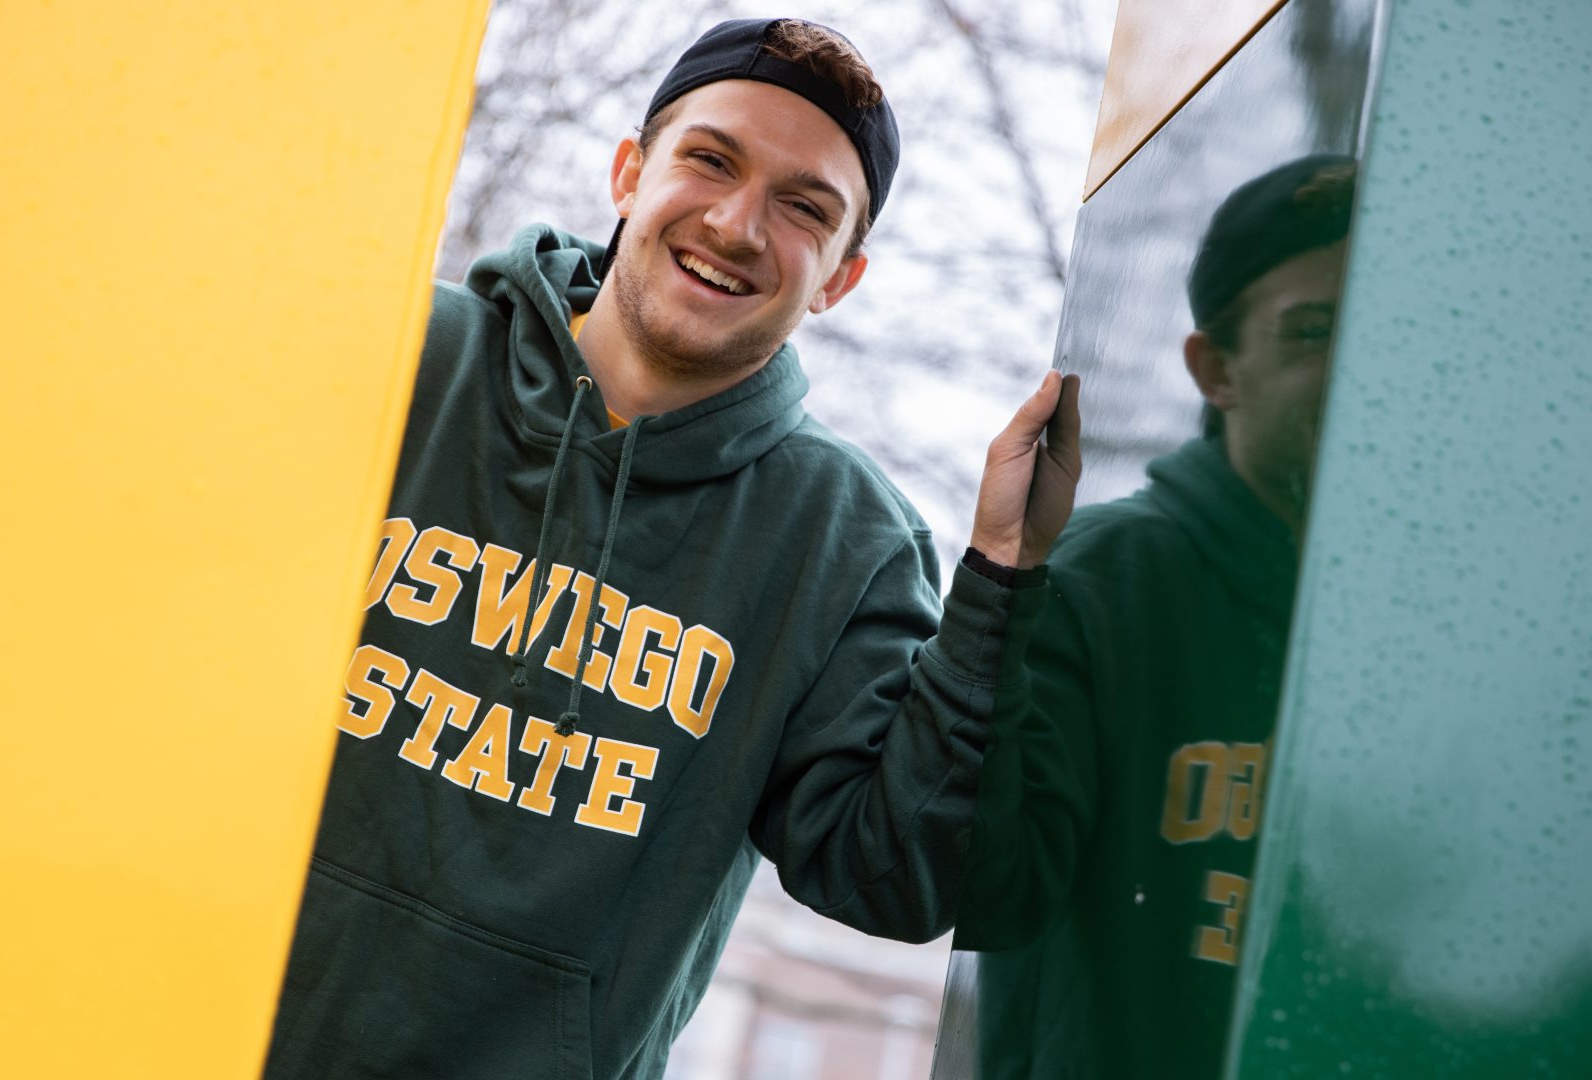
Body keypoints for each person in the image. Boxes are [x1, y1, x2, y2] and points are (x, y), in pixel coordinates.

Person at [262, 18, 1081, 1080]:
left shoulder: (846, 545)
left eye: (805, 208)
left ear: (841, 278)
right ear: (627, 173)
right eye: (711, 159)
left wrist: (1003, 573)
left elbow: (894, 876)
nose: (738, 224)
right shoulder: (399, 357)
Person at [955, 154, 1356, 1078]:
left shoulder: (1424, 607)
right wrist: (998, 587)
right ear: (1217, 370)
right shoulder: (1104, 581)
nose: (1351, 371)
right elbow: (980, 889)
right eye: (1312, 332)